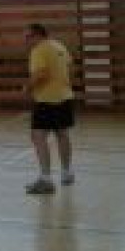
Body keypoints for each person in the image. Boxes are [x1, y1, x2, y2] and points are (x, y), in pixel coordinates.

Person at [24, 23, 75, 195]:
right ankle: (67, 173)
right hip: (65, 96)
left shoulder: (39, 50)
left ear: (38, 35)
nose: (26, 40)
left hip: (46, 99)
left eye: (28, 37)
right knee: (62, 134)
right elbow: (70, 67)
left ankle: (46, 180)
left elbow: (41, 74)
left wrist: (27, 88)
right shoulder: (59, 46)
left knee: (38, 136)